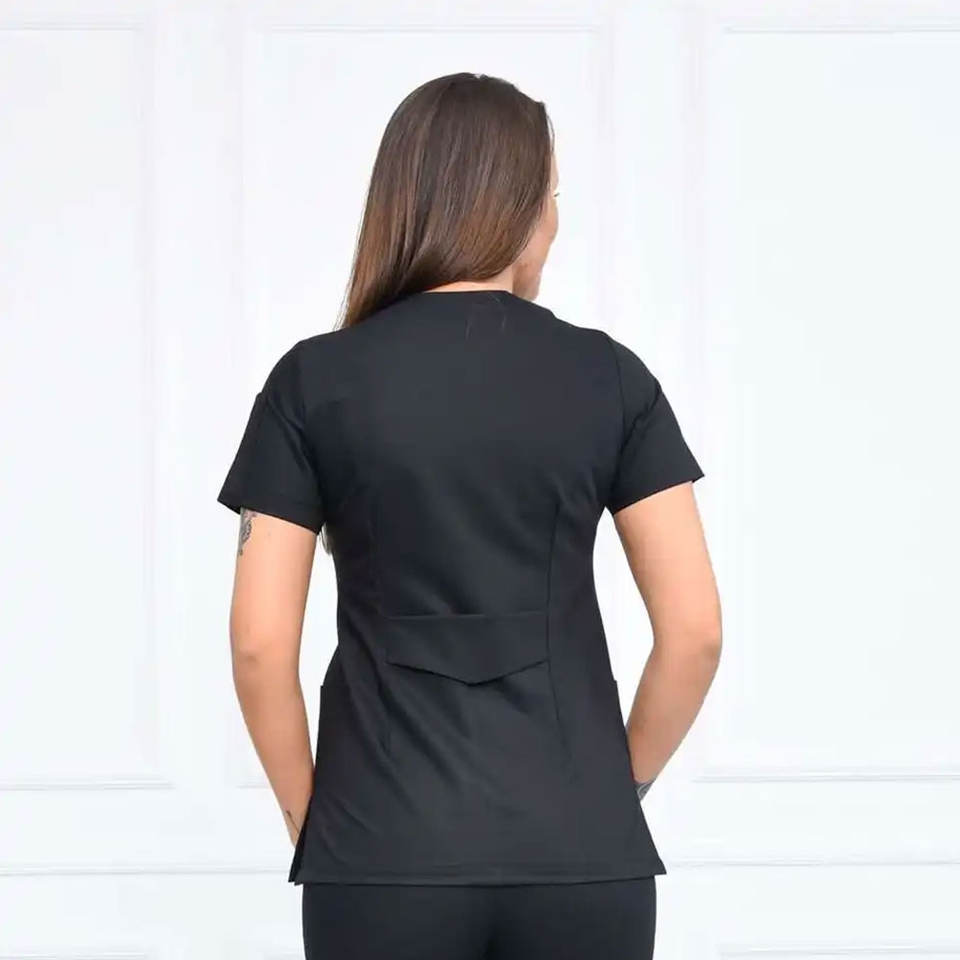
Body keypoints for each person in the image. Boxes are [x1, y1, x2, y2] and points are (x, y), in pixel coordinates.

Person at [216, 72, 722, 960]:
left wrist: (313, 823)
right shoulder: (611, 377)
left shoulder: (312, 382)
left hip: (380, 856)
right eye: (552, 197)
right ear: (519, 210)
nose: (555, 222)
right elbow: (696, 634)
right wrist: (615, 793)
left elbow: (259, 643)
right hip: (582, 856)